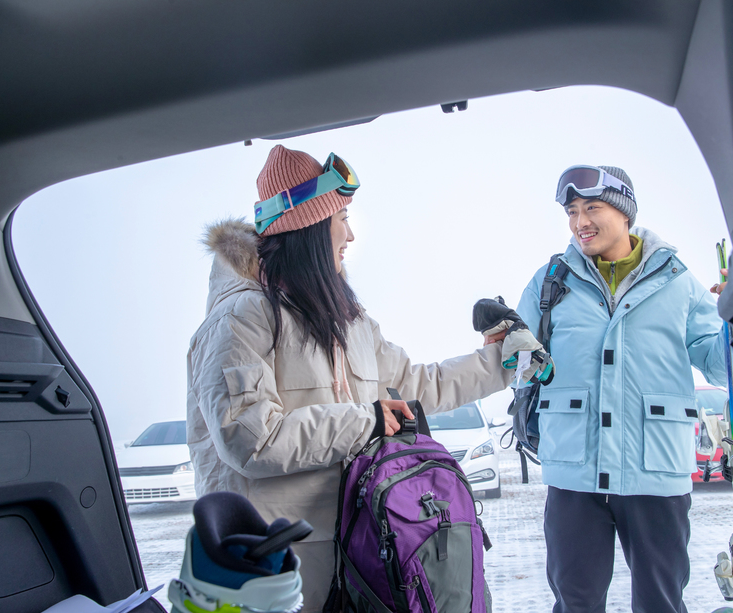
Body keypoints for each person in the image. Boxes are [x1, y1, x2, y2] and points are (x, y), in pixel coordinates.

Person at [186, 145, 542, 612]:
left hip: (359, 552)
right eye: (342, 218)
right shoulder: (240, 320)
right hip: (276, 569)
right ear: (309, 227)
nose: (350, 234)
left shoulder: (348, 321)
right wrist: (366, 421)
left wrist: (500, 362)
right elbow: (249, 440)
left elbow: (417, 384)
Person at [515, 165, 732, 613]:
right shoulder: (550, 282)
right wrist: (501, 340)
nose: (580, 223)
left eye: (592, 208)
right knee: (575, 603)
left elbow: (720, 365)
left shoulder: (678, 282)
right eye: (572, 212)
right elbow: (516, 360)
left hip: (654, 472)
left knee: (661, 603)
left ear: (625, 212)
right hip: (576, 474)